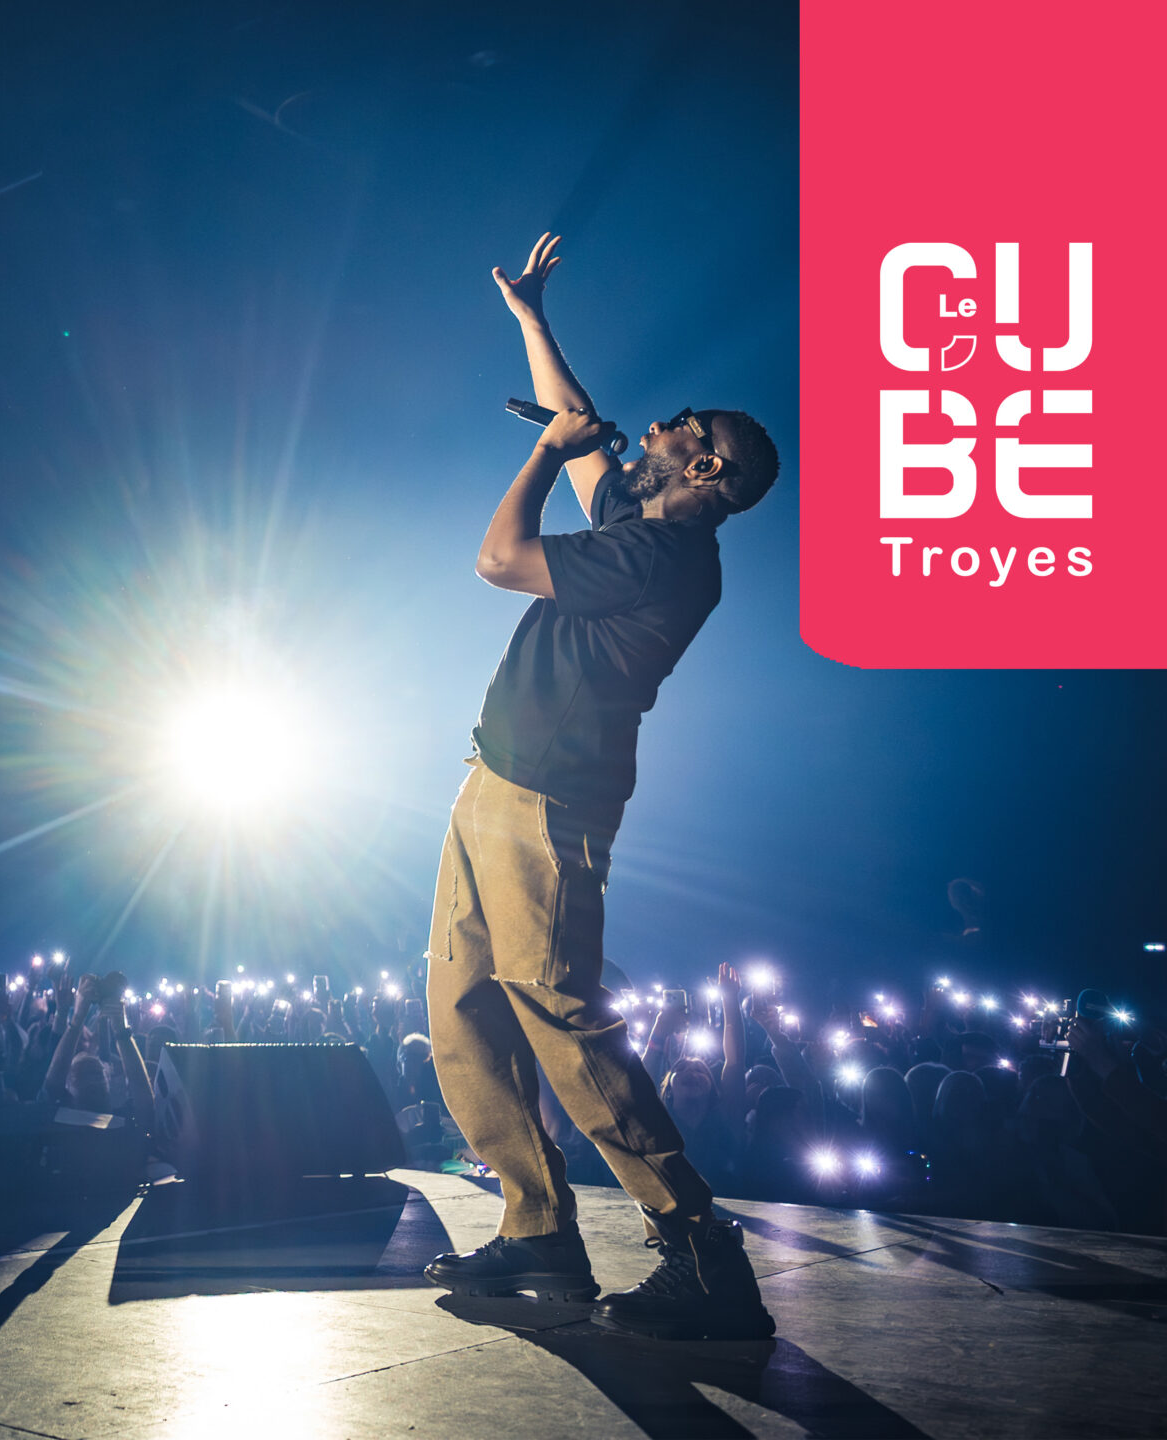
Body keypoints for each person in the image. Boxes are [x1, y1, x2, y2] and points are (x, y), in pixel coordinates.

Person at [421, 232, 783, 1342]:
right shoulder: (638, 522)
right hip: (497, 779)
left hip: (548, 801)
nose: (661, 425)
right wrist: (532, 321)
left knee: (562, 1014)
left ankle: (699, 1247)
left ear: (707, 472)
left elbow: (498, 559)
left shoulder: (662, 558)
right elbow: (582, 425)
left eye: (685, 426)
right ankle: (536, 1227)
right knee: (461, 1006)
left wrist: (543, 456)